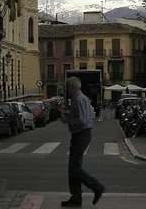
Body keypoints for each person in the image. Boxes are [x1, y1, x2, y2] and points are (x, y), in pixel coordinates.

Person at [60, 76, 105, 207]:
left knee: (74, 168)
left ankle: (96, 186)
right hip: (82, 134)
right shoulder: (81, 98)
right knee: (73, 167)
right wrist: (67, 114)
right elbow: (82, 116)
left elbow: (82, 120)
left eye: (68, 87)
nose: (67, 90)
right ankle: (76, 197)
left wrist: (67, 120)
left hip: (81, 134)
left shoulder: (78, 99)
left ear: (72, 87)